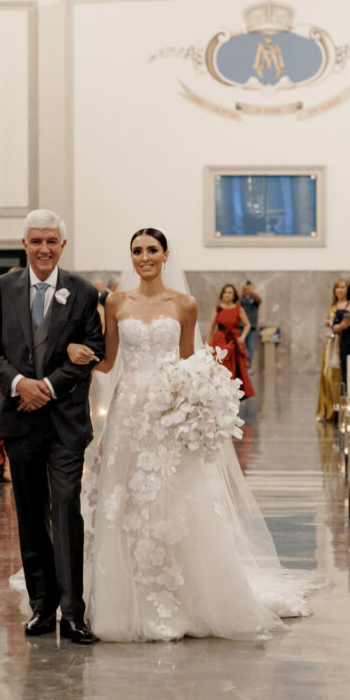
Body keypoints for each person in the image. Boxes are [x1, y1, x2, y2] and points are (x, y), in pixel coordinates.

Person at [67, 227, 310, 643]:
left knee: (173, 498)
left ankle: (182, 597)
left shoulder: (185, 304)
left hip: (167, 411)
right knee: (126, 498)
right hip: (129, 414)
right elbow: (109, 361)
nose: (144, 257)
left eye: (152, 250)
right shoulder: (115, 302)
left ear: (165, 256)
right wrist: (75, 354)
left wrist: (197, 403)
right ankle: (128, 598)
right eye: (137, 251)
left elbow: (189, 363)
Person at [0, 209, 104, 645]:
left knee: (66, 509)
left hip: (65, 421)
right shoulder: (4, 288)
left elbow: (93, 348)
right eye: (36, 241)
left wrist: (46, 386)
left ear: (63, 246)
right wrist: (17, 384)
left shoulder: (83, 291)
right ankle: (41, 607)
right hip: (18, 418)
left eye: (52, 241)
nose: (44, 249)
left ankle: (73, 613)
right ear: (25, 244)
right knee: (30, 515)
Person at [206, 284, 254, 398]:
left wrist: (243, 336)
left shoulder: (238, 309)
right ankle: (219, 390)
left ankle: (232, 391)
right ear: (222, 294)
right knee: (219, 364)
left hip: (233, 340)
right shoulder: (217, 308)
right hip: (220, 339)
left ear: (234, 296)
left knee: (234, 366)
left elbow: (247, 324)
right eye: (225, 292)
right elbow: (211, 327)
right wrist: (208, 344)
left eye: (230, 292)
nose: (227, 294)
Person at [316, 277, 348, 422]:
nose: (341, 290)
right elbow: (330, 322)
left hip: (342, 341)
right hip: (331, 342)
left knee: (337, 376)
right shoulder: (333, 304)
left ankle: (337, 409)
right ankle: (326, 409)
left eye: (343, 287)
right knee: (326, 375)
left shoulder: (348, 305)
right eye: (338, 287)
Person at [239, 280, 262, 366]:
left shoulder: (254, 298)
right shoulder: (241, 298)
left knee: (250, 346)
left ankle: (248, 363)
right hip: (241, 325)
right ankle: (241, 363)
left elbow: (260, 300)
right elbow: (236, 300)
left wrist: (252, 292)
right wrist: (243, 291)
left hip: (252, 326)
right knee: (240, 346)